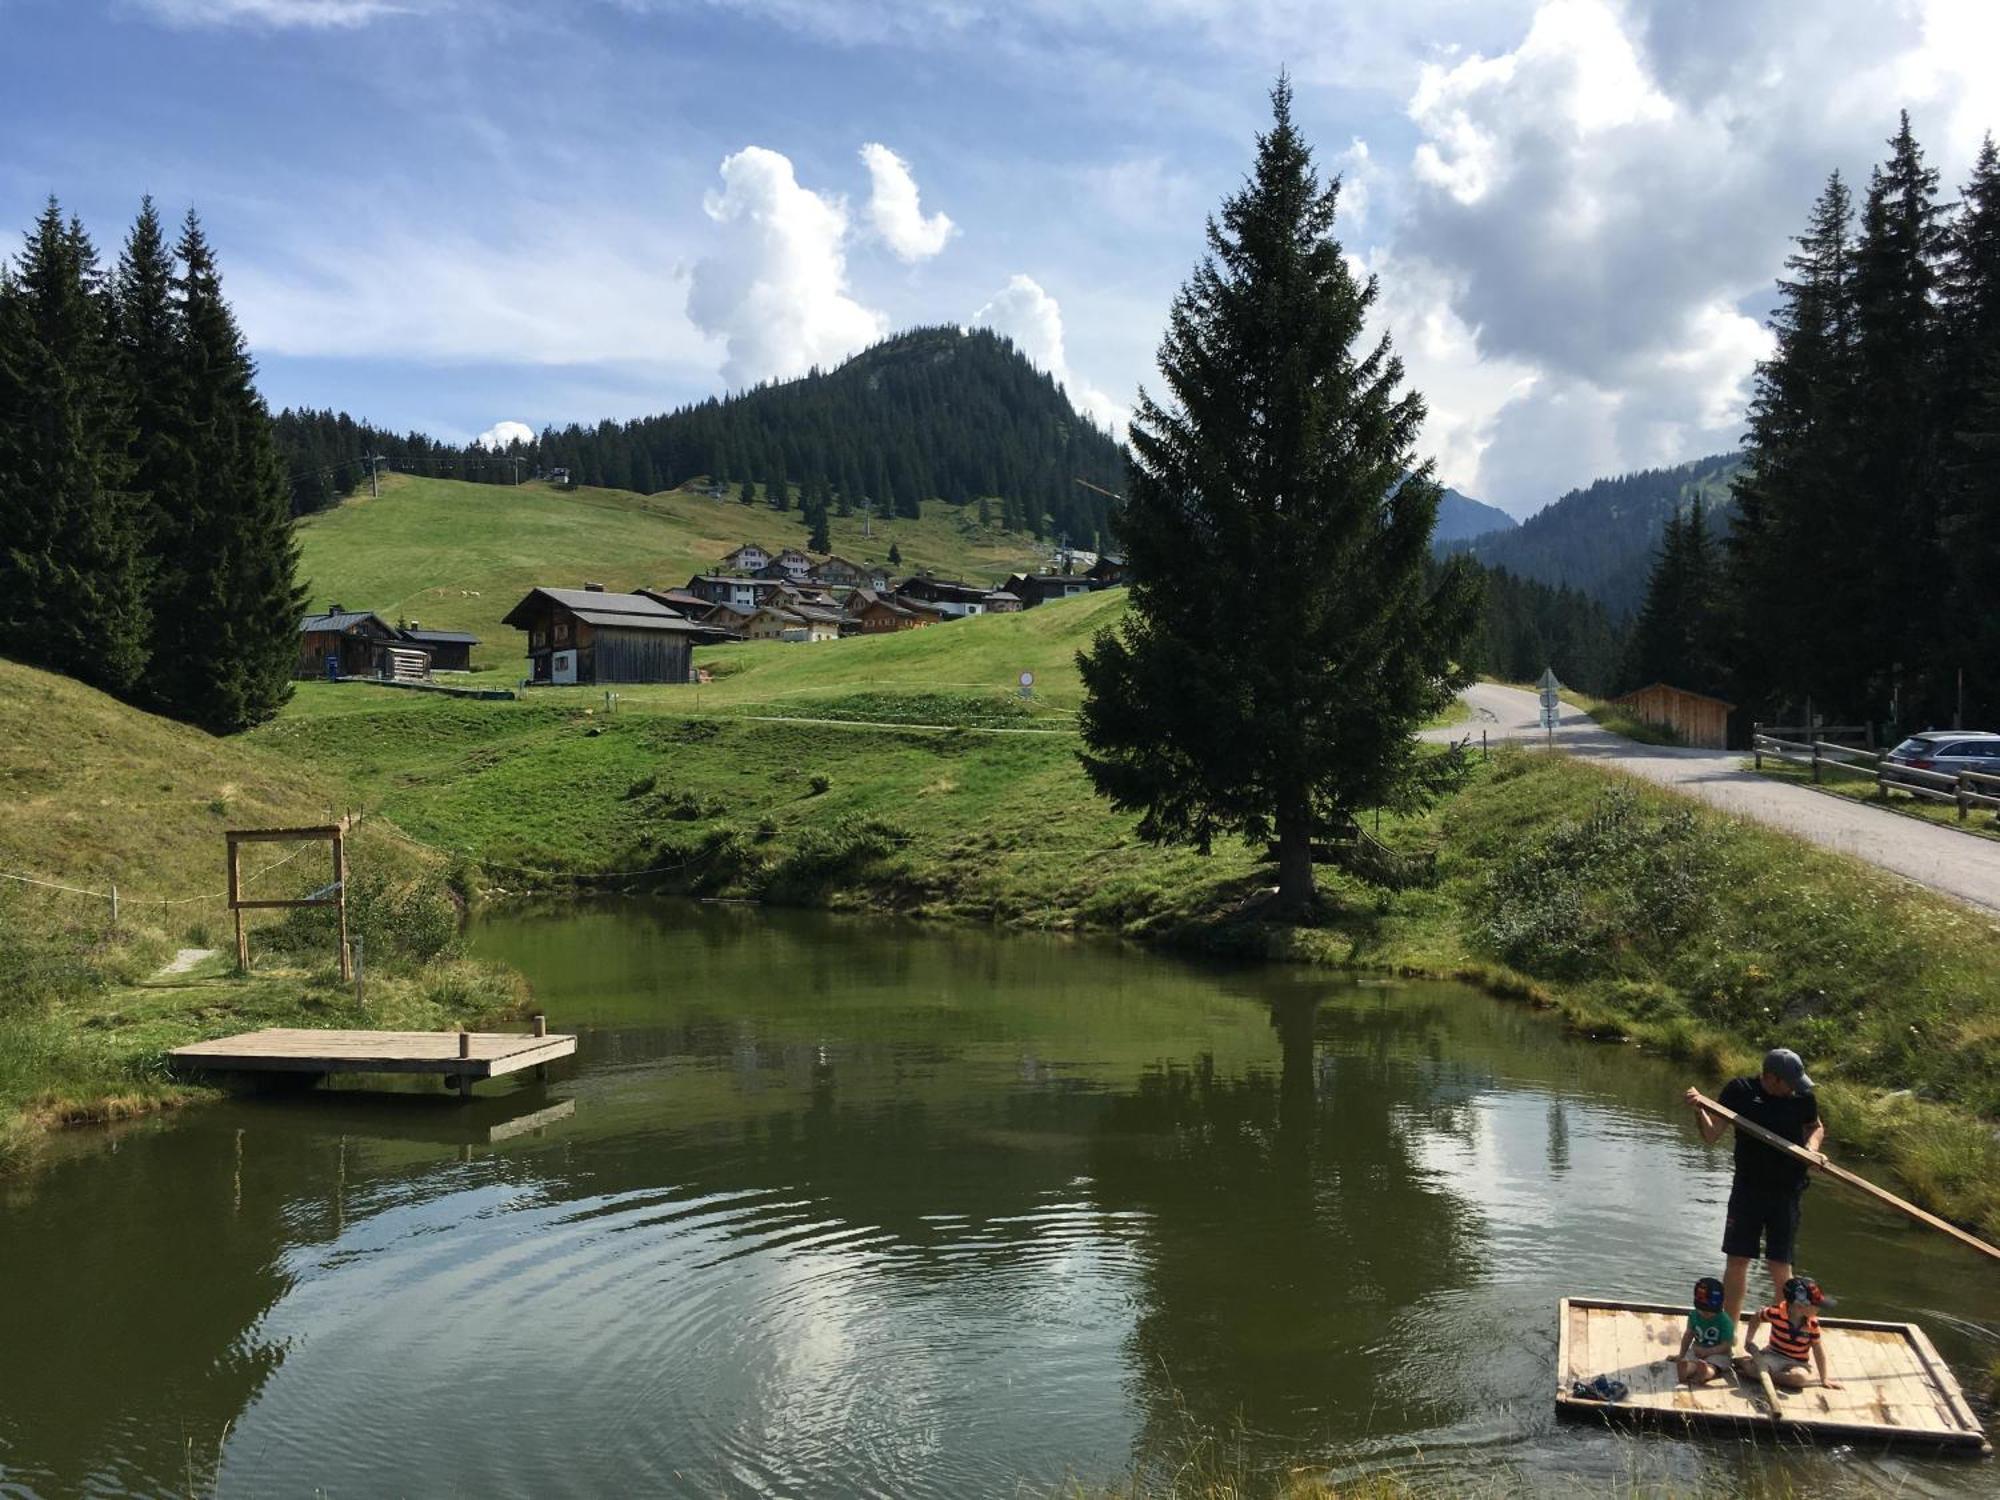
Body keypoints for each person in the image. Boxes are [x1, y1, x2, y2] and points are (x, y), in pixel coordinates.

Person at [1683, 1048, 1825, 1334]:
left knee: (1780, 1267)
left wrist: (1812, 1149)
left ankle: (1783, 1338)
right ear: (1770, 1078)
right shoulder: (1740, 1091)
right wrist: (1700, 1110)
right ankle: (1729, 1333)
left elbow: (1815, 1127)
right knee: (1737, 1261)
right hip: (1748, 1190)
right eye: (1789, 1084)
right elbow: (1712, 1135)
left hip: (1787, 1192)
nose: (1794, 1090)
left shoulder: (1802, 1098)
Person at [1737, 1275, 1842, 1391]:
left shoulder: (1812, 1323)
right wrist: (1749, 1340)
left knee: (1799, 1378)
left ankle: (1763, 1375)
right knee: (1754, 1369)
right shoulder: (1775, 1313)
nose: (1818, 1309)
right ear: (1800, 1306)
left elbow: (1818, 1349)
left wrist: (1824, 1378)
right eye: (1816, 1306)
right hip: (1773, 1354)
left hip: (1797, 1362)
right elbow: (1757, 1317)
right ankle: (1749, 1365)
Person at [1674, 1276, 1736, 1386]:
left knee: (1713, 1366)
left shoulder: (1725, 1321)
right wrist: (1681, 1355)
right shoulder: (1694, 1315)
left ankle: (1705, 1373)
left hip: (1719, 1353)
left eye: (1709, 1311)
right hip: (1697, 1349)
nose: (1705, 1314)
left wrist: (1708, 1352)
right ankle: (1685, 1371)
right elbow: (1688, 1334)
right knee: (1691, 1361)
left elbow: (1726, 1345)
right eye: (1702, 1310)